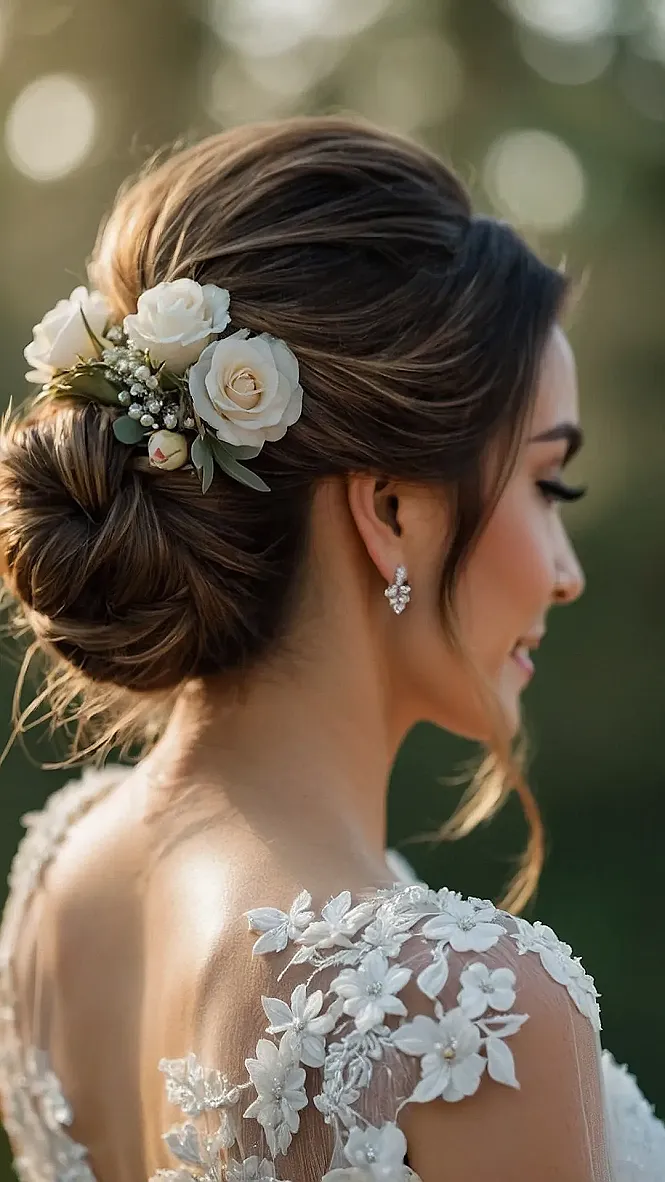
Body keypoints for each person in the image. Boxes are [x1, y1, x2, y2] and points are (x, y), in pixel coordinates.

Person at [0, 117, 661, 1182]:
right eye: (548, 485)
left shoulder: (60, 883)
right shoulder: (462, 1014)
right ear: (390, 509)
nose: (564, 570)